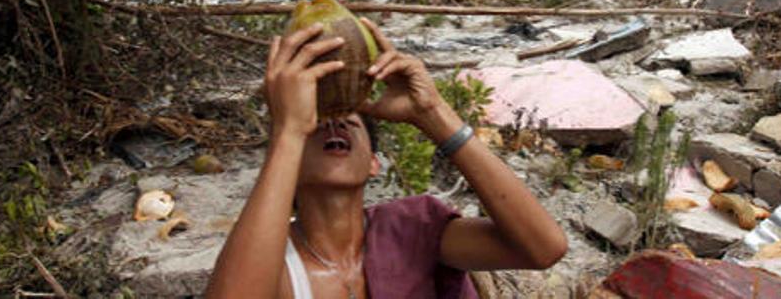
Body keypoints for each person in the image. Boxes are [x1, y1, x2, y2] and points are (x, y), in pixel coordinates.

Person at [206, 20, 568, 299]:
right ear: (284, 162)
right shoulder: (275, 262)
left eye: (350, 123)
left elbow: (543, 248)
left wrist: (432, 112)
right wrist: (288, 129)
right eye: (314, 126)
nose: (334, 124)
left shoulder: (412, 231)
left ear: (374, 163)